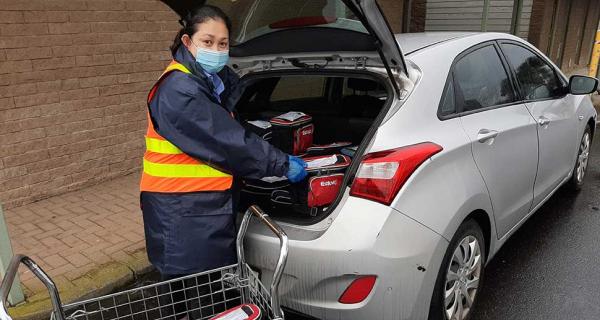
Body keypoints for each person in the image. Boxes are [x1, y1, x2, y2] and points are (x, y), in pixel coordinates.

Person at [139, 5, 307, 318]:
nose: (216, 50)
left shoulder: (200, 80)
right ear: (187, 42)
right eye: (208, 41)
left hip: (192, 211)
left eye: (223, 44)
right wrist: (283, 164)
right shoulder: (180, 89)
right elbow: (229, 142)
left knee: (189, 302)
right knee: (204, 303)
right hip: (185, 216)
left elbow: (226, 127)